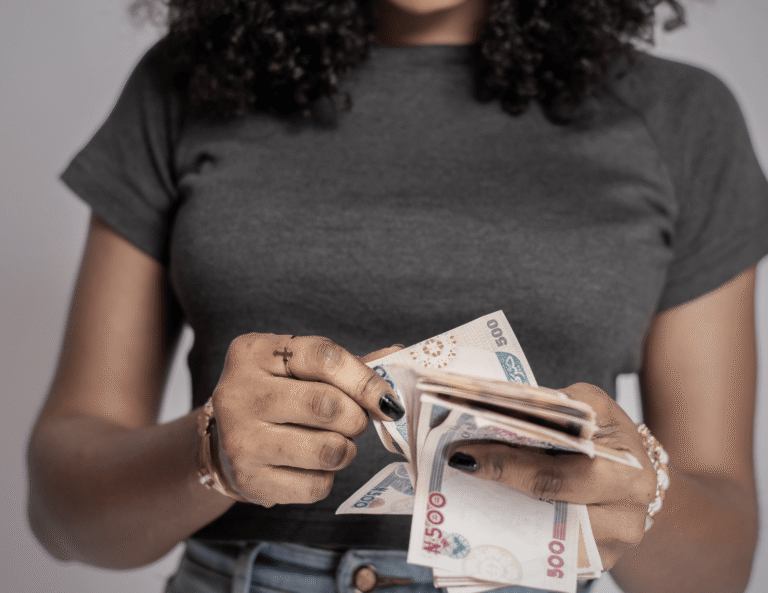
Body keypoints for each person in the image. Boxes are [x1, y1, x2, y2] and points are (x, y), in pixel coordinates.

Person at [26, 0, 765, 592]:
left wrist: (641, 497)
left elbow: (721, 567)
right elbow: (62, 515)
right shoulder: (187, 86)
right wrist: (210, 452)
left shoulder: (682, 118)